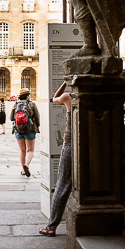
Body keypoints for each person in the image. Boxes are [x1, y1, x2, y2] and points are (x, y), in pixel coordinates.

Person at [40, 81, 72, 236]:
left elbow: (55, 98)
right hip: (90, 145)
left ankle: (51, 227)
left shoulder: (68, 97)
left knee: (63, 185)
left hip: (70, 146)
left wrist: (65, 82)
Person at [10, 87, 40, 177]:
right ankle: (26, 165)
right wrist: (37, 126)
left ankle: (23, 170)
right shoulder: (31, 104)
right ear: (27, 96)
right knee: (30, 150)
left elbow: (11, 118)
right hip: (30, 128)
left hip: (18, 129)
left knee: (22, 150)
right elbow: (37, 117)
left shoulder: (16, 104)